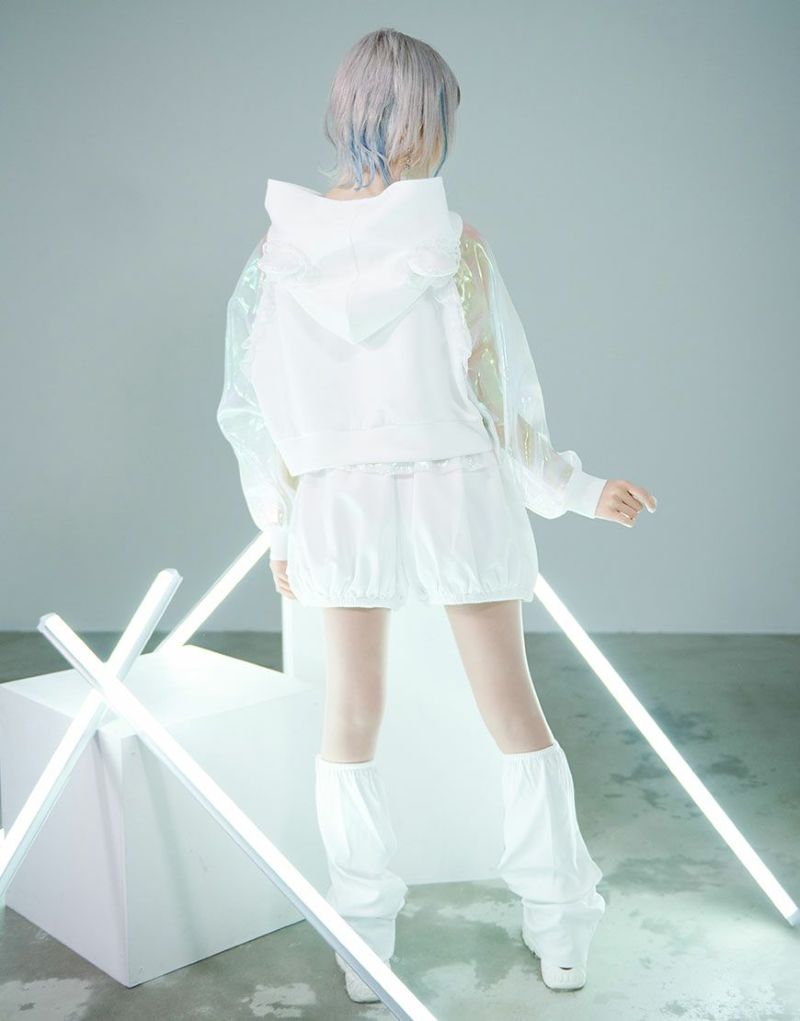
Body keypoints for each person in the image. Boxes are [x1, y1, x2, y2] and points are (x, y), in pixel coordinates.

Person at [217, 27, 657, 1003]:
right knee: (511, 707)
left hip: (339, 500)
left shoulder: (279, 251)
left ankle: (362, 942)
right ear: (424, 120)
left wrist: (282, 522)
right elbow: (499, 398)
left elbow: (258, 404)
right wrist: (575, 488)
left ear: (349, 114)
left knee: (349, 716)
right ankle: (560, 925)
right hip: (456, 487)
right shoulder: (453, 245)